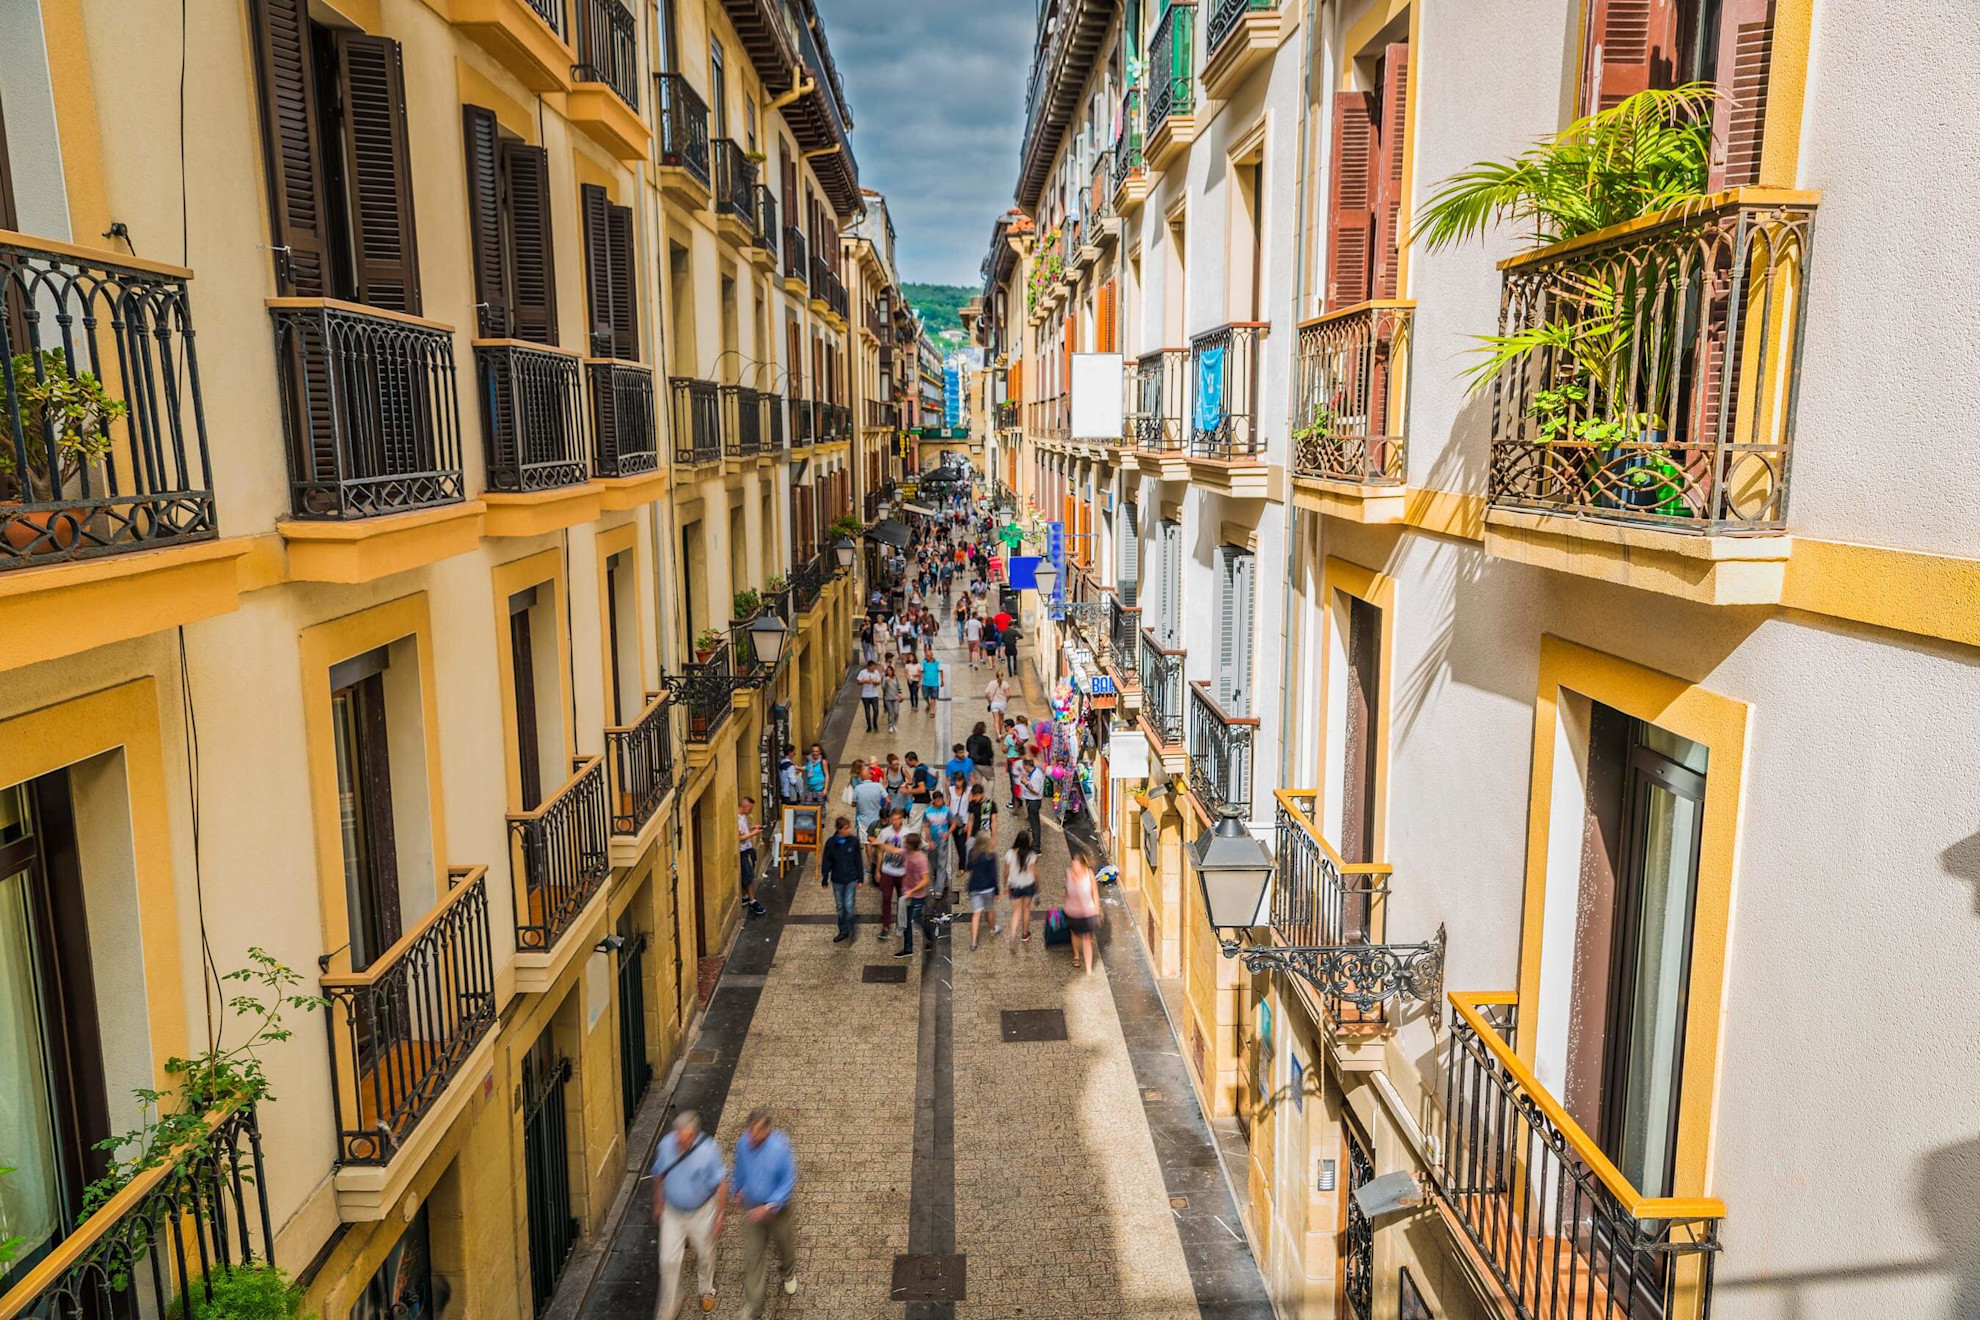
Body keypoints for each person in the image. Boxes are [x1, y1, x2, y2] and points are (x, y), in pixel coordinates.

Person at [651, 1109, 728, 1318]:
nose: (679, 1144)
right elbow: (659, 1174)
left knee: (704, 1254)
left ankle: (706, 1290)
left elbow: (721, 1183)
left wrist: (720, 1215)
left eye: (684, 1140)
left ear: (694, 1136)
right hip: (673, 1212)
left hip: (701, 1213)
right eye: (678, 1138)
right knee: (667, 1258)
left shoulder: (709, 1150)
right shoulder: (666, 1146)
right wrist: (659, 1202)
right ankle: (672, 1299)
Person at [731, 1110, 799, 1318]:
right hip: (752, 1208)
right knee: (753, 1255)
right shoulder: (743, 1144)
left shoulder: (780, 1148)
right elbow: (739, 1168)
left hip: (776, 1210)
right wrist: (737, 1189)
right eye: (749, 1131)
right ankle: (754, 1306)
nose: (751, 1137)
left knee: (784, 1245)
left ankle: (787, 1271)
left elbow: (788, 1180)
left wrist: (769, 1206)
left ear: (768, 1130)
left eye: (757, 1132)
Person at [819, 816, 864, 942]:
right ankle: (843, 930)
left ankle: (851, 926)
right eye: (846, 828)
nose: (849, 830)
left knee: (849, 906)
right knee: (840, 906)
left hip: (851, 878)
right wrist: (825, 876)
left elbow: (858, 861)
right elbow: (827, 861)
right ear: (839, 830)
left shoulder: (854, 842)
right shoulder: (831, 844)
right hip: (837, 879)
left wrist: (860, 878)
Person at [1063, 841, 1103, 974]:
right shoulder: (1068, 874)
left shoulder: (1089, 874)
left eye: (1076, 864)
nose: (1073, 866)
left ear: (1082, 865)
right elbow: (1066, 892)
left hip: (1087, 912)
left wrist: (1097, 912)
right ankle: (1076, 956)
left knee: (1087, 939)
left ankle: (1089, 968)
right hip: (1072, 912)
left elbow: (1095, 893)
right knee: (1075, 935)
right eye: (1072, 863)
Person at [894, 832, 933, 957]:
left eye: (906, 842)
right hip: (907, 892)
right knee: (906, 920)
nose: (904, 844)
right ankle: (908, 948)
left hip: (918, 896)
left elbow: (925, 879)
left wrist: (913, 890)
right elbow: (894, 850)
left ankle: (930, 935)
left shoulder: (921, 859)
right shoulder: (906, 852)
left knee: (916, 919)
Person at [874, 808, 909, 941]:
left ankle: (902, 923)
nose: (895, 822)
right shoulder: (884, 833)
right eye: (893, 819)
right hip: (888, 870)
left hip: (902, 871)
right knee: (886, 898)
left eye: (898, 819)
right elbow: (880, 852)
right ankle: (885, 925)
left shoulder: (907, 833)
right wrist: (878, 870)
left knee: (903, 899)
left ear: (901, 819)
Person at [965, 831, 1001, 950]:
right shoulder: (991, 855)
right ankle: (992, 929)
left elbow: (969, 867)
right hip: (988, 888)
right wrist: (996, 890)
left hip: (975, 886)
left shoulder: (972, 853)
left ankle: (973, 941)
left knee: (976, 913)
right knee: (989, 909)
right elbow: (993, 875)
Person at [1005, 829, 1040, 948]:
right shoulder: (1031, 855)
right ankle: (1025, 934)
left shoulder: (1010, 853)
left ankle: (1013, 934)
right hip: (1028, 884)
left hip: (1015, 885)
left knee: (1016, 911)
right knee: (1026, 909)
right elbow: (1035, 873)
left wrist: (1006, 884)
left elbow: (1006, 872)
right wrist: (1038, 887)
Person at [737, 797, 766, 917]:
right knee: (748, 877)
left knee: (746, 874)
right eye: (751, 808)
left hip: (747, 849)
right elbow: (739, 837)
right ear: (746, 806)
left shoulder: (743, 817)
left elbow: (743, 832)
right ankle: (752, 901)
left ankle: (744, 897)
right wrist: (754, 833)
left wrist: (752, 828)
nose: (751, 811)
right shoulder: (736, 820)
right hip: (742, 851)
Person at [1017, 754, 1046, 840]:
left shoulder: (1036, 775)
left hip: (1034, 801)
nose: (1024, 768)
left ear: (1026, 765)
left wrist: (1025, 783)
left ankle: (1036, 846)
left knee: (1035, 824)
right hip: (1031, 800)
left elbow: (1036, 791)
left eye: (1024, 766)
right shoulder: (1033, 772)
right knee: (1033, 823)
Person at [855, 659, 884, 733]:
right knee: (867, 711)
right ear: (869, 667)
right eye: (873, 667)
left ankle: (875, 723)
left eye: (875, 667)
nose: (874, 668)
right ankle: (869, 726)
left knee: (876, 710)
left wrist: (875, 682)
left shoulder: (876, 672)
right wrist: (864, 681)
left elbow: (878, 682)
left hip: (874, 695)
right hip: (865, 695)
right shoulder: (863, 672)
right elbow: (858, 681)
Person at [881, 662, 904, 733]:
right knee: (890, 712)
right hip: (888, 698)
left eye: (890, 670)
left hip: (895, 698)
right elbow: (883, 688)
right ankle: (890, 725)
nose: (889, 672)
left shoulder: (895, 678)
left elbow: (899, 687)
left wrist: (900, 694)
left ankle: (895, 724)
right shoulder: (884, 678)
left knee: (896, 712)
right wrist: (886, 682)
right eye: (887, 671)